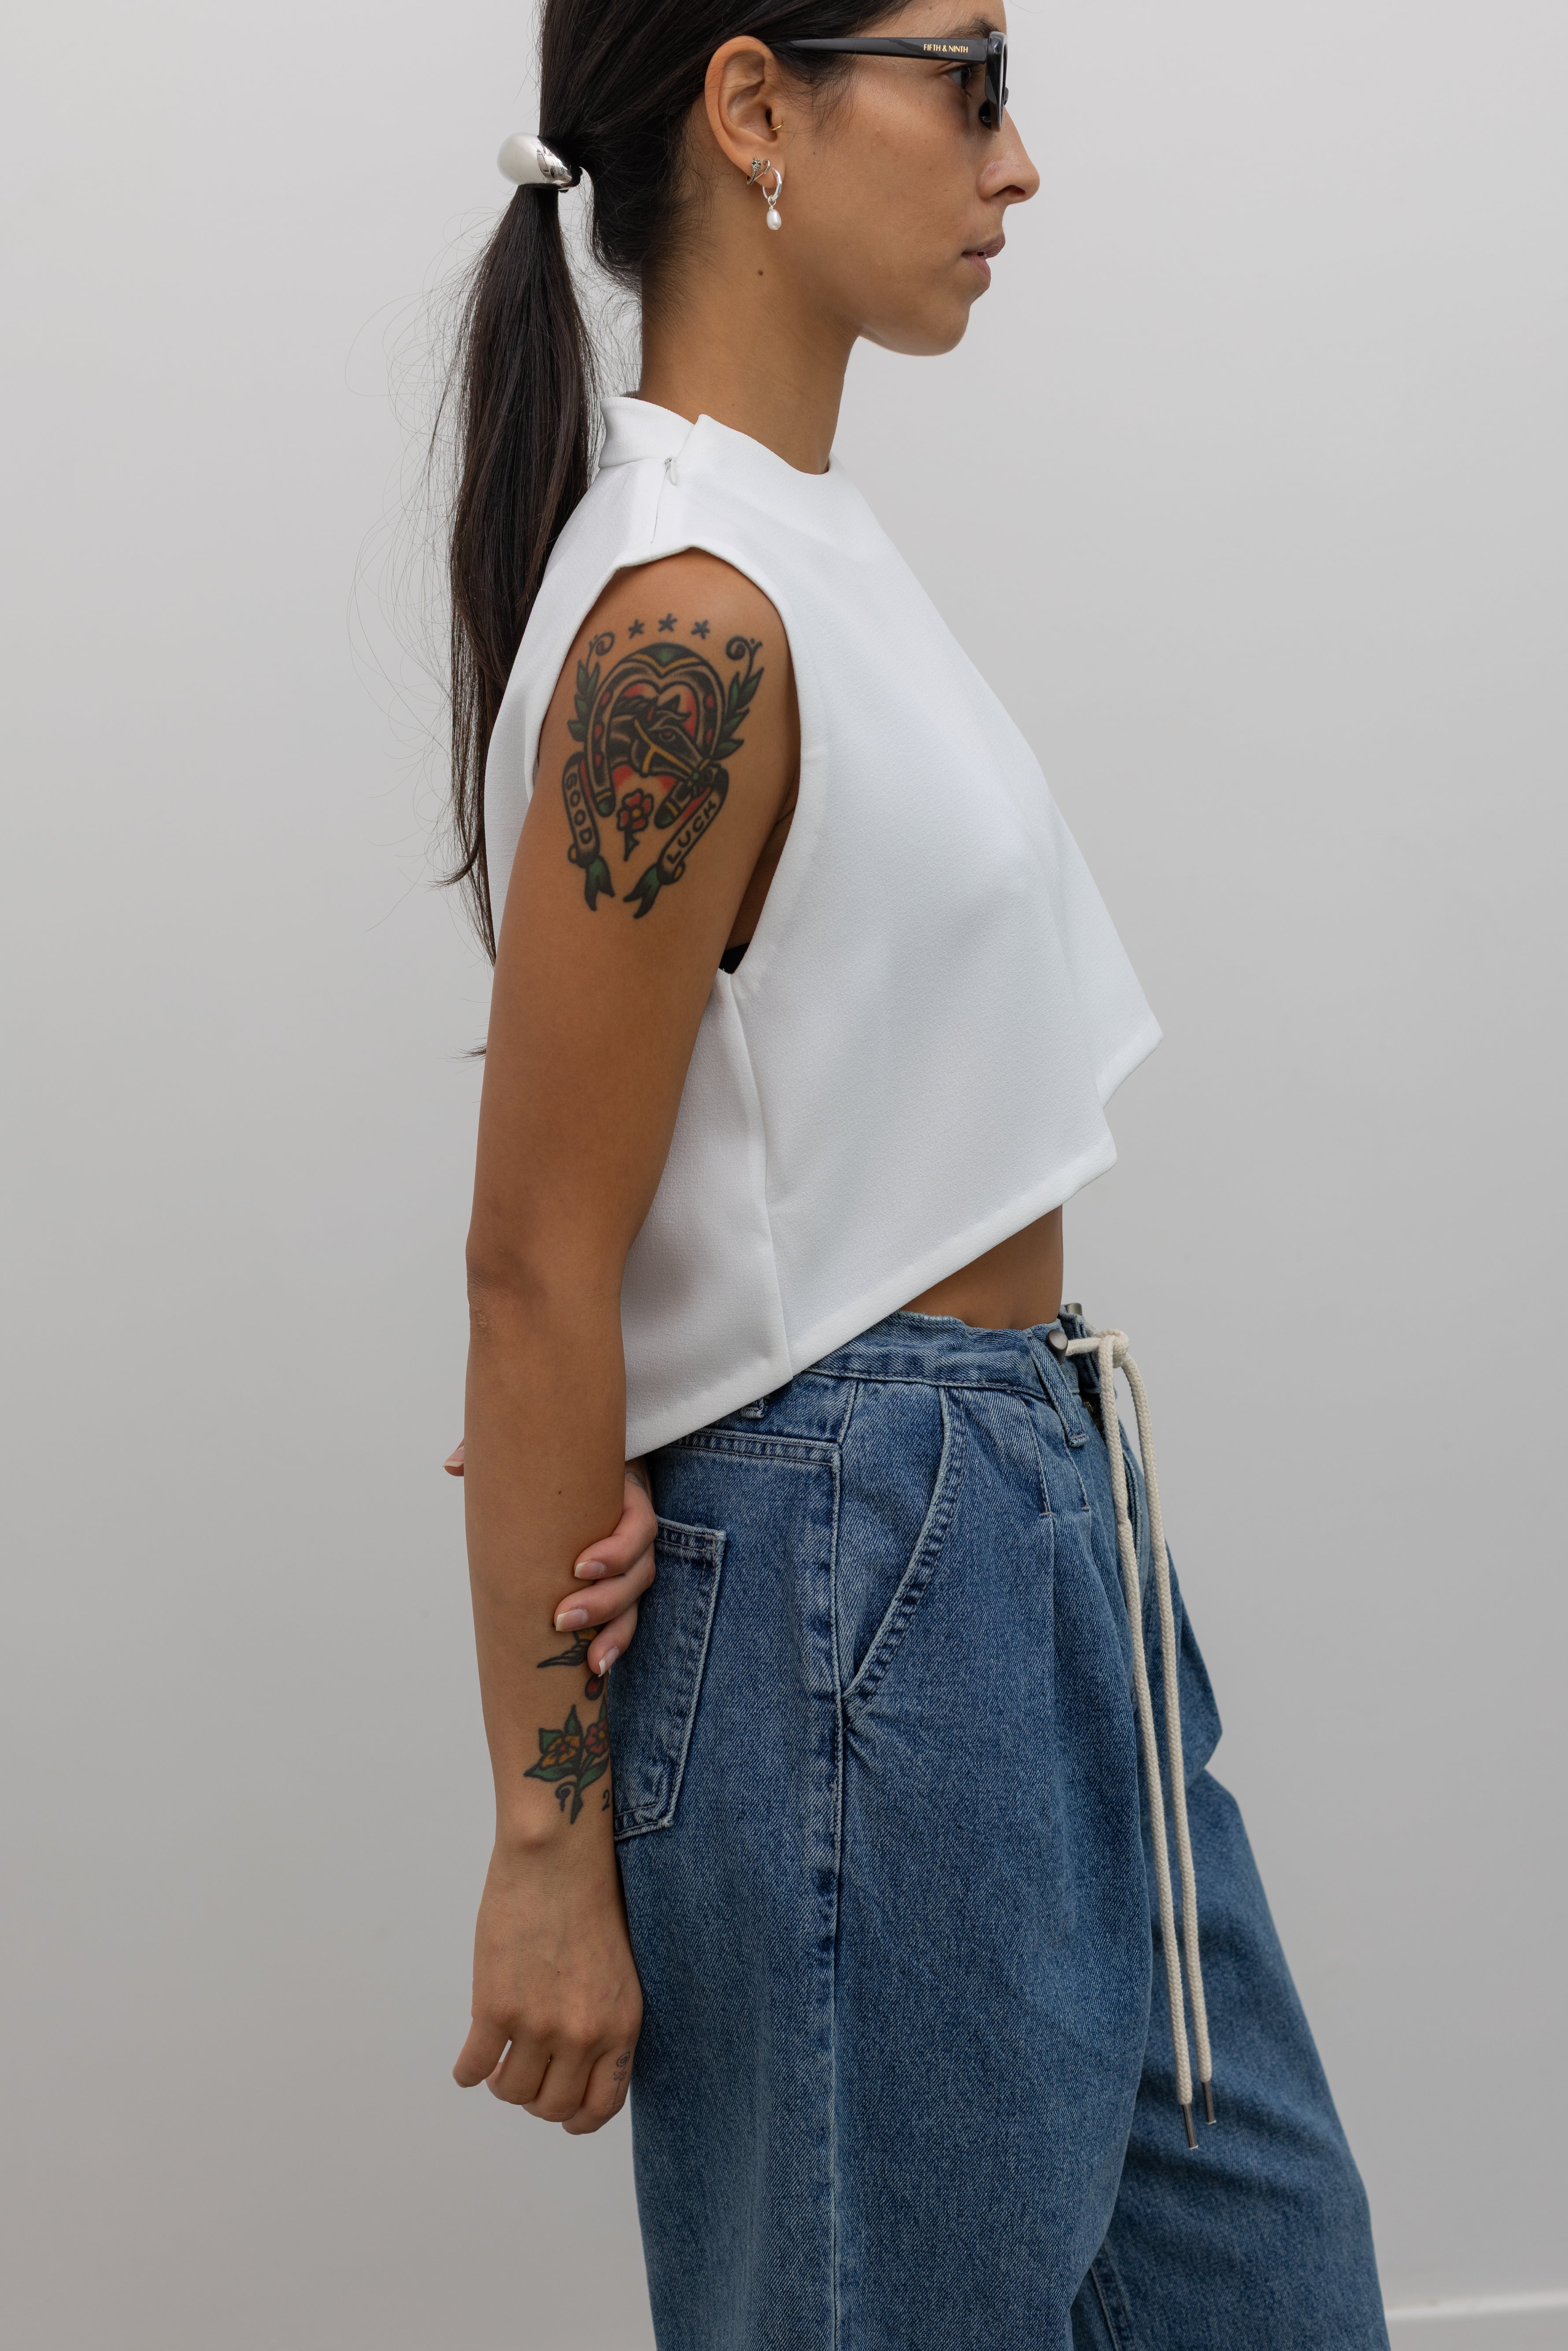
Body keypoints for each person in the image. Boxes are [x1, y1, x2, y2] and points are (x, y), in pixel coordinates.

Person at [440, 4, 1391, 2344]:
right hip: (861, 1579)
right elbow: (537, 1270)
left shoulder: (797, 554)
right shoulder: (689, 617)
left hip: (1017, 1535)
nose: (1017, 161)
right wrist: (547, 1845)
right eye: (967, 79)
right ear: (753, 106)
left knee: (1267, 2294)